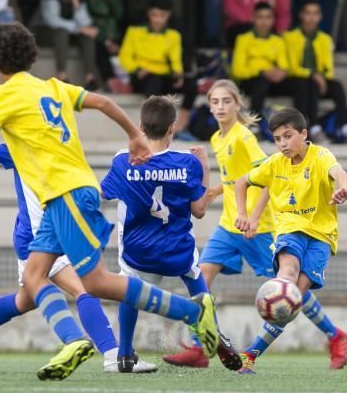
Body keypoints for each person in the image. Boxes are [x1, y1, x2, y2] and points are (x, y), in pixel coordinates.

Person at [0, 22, 225, 381]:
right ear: (32, 55)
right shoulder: (52, 87)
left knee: (93, 282)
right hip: (68, 195)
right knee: (34, 279)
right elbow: (104, 101)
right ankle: (69, 341)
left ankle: (189, 312)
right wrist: (134, 137)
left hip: (66, 195)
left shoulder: (1, 97)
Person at [0, 144, 157, 374]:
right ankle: (113, 355)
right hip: (39, 237)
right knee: (84, 289)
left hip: (47, 233)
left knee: (24, 301)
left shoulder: (59, 139)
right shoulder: (20, 143)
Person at [162, 81, 347, 371]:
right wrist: (215, 194)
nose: (220, 107)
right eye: (214, 101)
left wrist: (251, 216)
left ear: (238, 104)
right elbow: (237, 180)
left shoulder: (244, 138)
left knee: (289, 294)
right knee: (201, 276)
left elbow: (266, 183)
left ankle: (333, 335)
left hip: (259, 229)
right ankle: (200, 345)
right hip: (230, 225)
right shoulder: (217, 139)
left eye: (226, 101)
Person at [100, 95, 241, 372]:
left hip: (138, 252)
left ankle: (126, 354)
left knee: (128, 284)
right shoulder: (186, 162)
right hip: (176, 250)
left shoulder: (123, 161)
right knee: (194, 273)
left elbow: (103, 193)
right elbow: (199, 210)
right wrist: (205, 168)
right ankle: (209, 332)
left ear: (141, 126)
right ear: (172, 128)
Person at [234, 107, 347, 374]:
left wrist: (343, 189)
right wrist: (244, 215)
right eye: (277, 139)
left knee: (291, 303)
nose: (283, 144)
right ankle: (249, 358)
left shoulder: (321, 156)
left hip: (322, 237)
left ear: (303, 134)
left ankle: (251, 353)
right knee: (287, 276)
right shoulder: (275, 163)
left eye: (288, 136)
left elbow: (341, 174)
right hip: (289, 229)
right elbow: (241, 182)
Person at [118, 0, 198, 139]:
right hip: (142, 76)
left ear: (168, 15)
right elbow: (125, 56)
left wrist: (178, 74)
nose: (158, 19)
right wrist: (137, 69)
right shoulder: (134, 32)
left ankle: (180, 127)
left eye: (162, 15)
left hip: (163, 76)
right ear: (149, 14)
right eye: (155, 15)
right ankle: (154, 129)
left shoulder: (173, 35)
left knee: (191, 85)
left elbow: (175, 59)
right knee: (153, 83)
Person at [283, 0, 347, 144]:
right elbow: (291, 68)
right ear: (301, 15)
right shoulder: (289, 37)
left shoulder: (325, 39)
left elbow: (328, 69)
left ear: (320, 17)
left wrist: (321, 79)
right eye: (308, 13)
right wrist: (313, 75)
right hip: (297, 80)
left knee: (336, 85)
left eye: (315, 14)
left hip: (317, 81)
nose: (311, 18)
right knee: (308, 83)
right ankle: (314, 127)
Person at [231, 2, 289, 133]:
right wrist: (261, 71)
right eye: (260, 17)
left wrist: (280, 74)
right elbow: (237, 70)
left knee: (301, 84)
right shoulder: (243, 39)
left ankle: (306, 125)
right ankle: (254, 124)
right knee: (260, 83)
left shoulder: (278, 41)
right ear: (253, 18)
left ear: (273, 20)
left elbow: (284, 66)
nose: (264, 21)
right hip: (250, 81)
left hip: (272, 81)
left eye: (268, 17)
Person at [40, 0, 99, 89]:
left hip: (65, 35)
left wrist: (76, 3)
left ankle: (90, 78)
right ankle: (62, 76)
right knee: (62, 32)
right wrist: (80, 29)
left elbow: (86, 23)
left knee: (87, 37)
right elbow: (52, 21)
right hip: (42, 33)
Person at [83, 0, 124, 91]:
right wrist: (104, 38)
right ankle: (109, 80)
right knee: (100, 48)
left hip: (112, 31)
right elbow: (85, 14)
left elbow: (118, 14)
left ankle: (122, 82)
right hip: (94, 29)